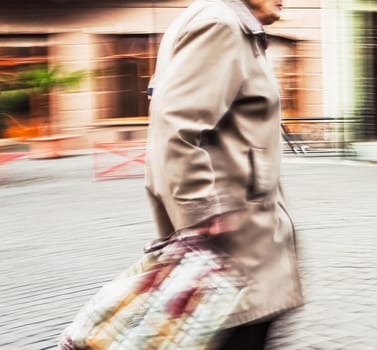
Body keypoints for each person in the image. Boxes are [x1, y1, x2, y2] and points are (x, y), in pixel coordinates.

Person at [145, 0, 303, 348]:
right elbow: (176, 128)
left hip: (244, 229)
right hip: (231, 238)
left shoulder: (230, 25)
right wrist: (200, 217)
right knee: (237, 331)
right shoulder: (220, 25)